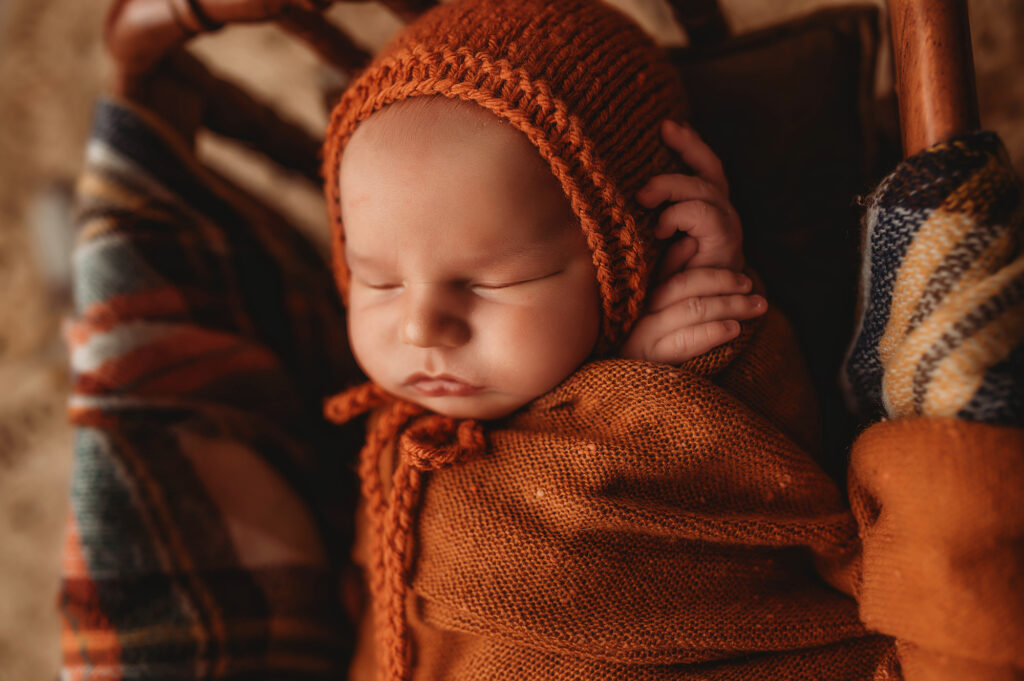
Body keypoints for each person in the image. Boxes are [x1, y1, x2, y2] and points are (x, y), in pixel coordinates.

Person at [320, 0, 889, 678]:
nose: (421, 328)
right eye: (377, 281)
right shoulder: (400, 442)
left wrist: (647, 385)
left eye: (491, 282)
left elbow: (767, 479)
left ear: (629, 254)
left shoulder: (689, 353)